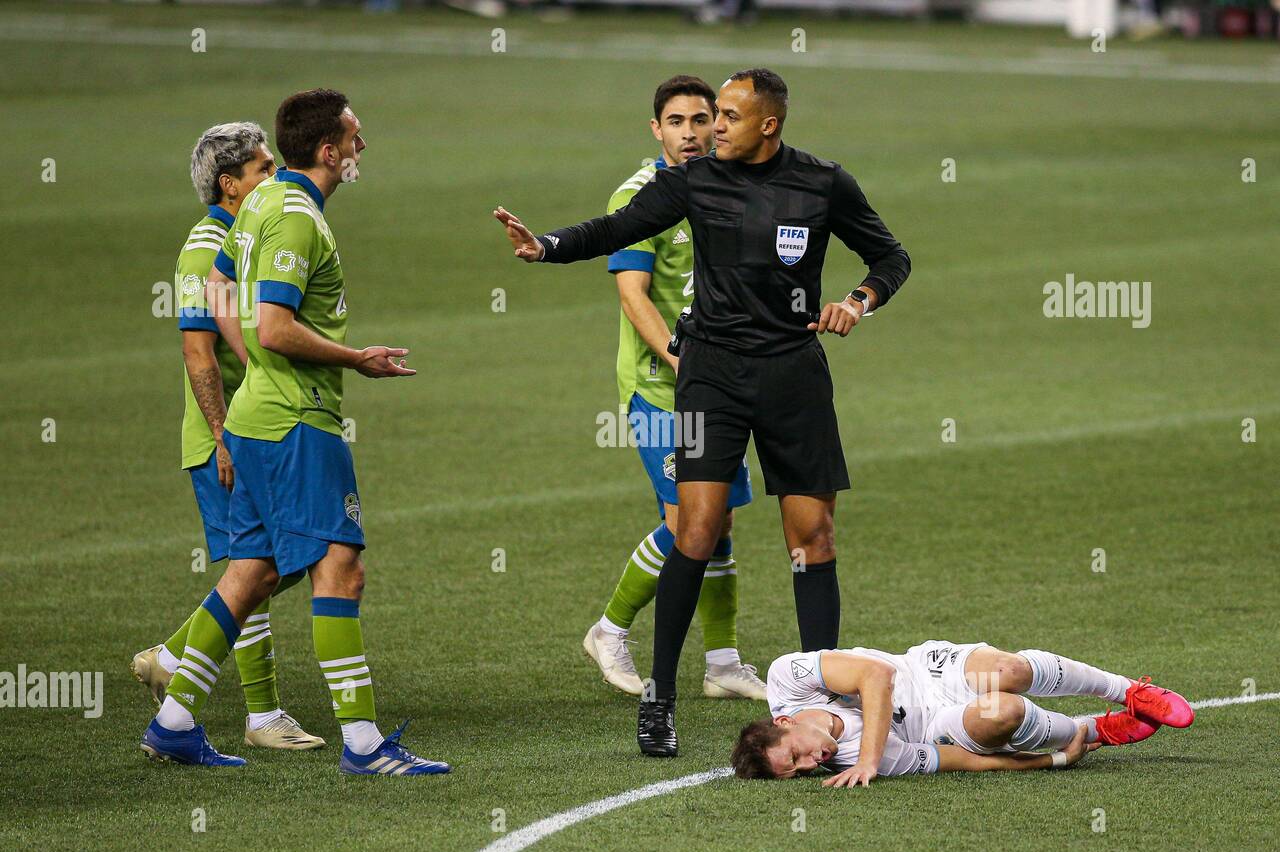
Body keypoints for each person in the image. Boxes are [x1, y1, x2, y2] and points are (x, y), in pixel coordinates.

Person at [494, 68, 911, 757]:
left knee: (814, 538)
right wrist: (547, 246)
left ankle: (819, 698)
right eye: (712, 114)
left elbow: (890, 255)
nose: (714, 127)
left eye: (728, 116)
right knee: (696, 528)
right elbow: (616, 227)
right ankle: (660, 697)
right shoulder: (695, 180)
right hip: (710, 374)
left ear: (769, 124)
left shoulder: (823, 182)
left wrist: (857, 300)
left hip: (793, 375)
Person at [140, 90, 449, 776]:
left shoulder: (258, 204)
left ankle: (175, 719)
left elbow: (221, 288)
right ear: (329, 150)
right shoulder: (297, 219)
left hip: (257, 417)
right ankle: (366, 744)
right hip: (294, 422)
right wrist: (355, 358)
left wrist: (251, 364)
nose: (363, 146)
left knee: (252, 572)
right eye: (355, 136)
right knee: (342, 567)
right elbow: (275, 325)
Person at [131, 122, 323, 751]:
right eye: (263, 168)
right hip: (226, 438)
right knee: (256, 570)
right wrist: (222, 437)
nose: (275, 175)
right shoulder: (203, 248)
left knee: (277, 565)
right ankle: (262, 715)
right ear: (229, 183)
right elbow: (198, 352)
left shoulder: (254, 232)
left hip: (262, 427)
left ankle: (172, 657)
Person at [585, 74, 764, 703]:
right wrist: (680, 357)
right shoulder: (641, 196)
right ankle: (608, 630)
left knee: (719, 525)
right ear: (656, 130)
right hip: (664, 390)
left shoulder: (724, 186)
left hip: (720, 387)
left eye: (702, 120)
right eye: (677, 122)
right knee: (691, 518)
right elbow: (633, 294)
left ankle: (721, 663)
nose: (692, 133)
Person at [731, 643, 1195, 784]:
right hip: (938, 723)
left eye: (795, 755)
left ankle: (1131, 691)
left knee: (1006, 670)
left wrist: (869, 759)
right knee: (1003, 711)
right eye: (800, 772)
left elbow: (875, 676)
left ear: (784, 724)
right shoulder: (850, 761)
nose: (812, 763)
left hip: (924, 672)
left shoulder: (785, 679)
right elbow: (960, 760)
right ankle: (1094, 730)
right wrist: (1053, 759)